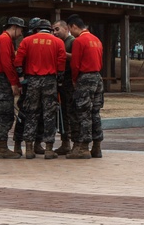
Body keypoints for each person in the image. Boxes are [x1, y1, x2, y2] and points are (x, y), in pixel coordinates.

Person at [13, 19, 66, 159]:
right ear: (50, 29)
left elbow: (18, 61)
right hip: (50, 81)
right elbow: (61, 63)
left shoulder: (27, 41)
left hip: (32, 81)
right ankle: (49, 148)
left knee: (31, 113)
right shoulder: (58, 42)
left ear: (37, 29)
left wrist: (21, 78)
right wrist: (59, 81)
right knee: (49, 114)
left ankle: (29, 148)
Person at [66, 15, 104, 159]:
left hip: (85, 78)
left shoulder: (79, 41)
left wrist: (75, 80)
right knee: (95, 113)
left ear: (74, 26)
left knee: (82, 113)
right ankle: (97, 146)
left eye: (70, 29)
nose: (71, 33)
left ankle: (83, 147)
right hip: (97, 78)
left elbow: (75, 63)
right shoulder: (96, 40)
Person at [0, 16, 26, 158]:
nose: (21, 33)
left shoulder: (3, 39)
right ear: (14, 27)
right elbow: (7, 63)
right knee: (5, 113)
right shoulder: (5, 40)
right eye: (20, 30)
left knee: (0, 113)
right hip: (2, 80)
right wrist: (13, 83)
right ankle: (2, 147)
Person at [52, 19, 76, 155]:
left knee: (70, 112)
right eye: (53, 30)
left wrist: (61, 53)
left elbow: (76, 57)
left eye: (57, 29)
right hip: (60, 82)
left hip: (69, 82)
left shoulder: (72, 42)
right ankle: (65, 142)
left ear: (66, 28)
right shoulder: (59, 43)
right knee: (62, 113)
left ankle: (75, 143)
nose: (54, 32)